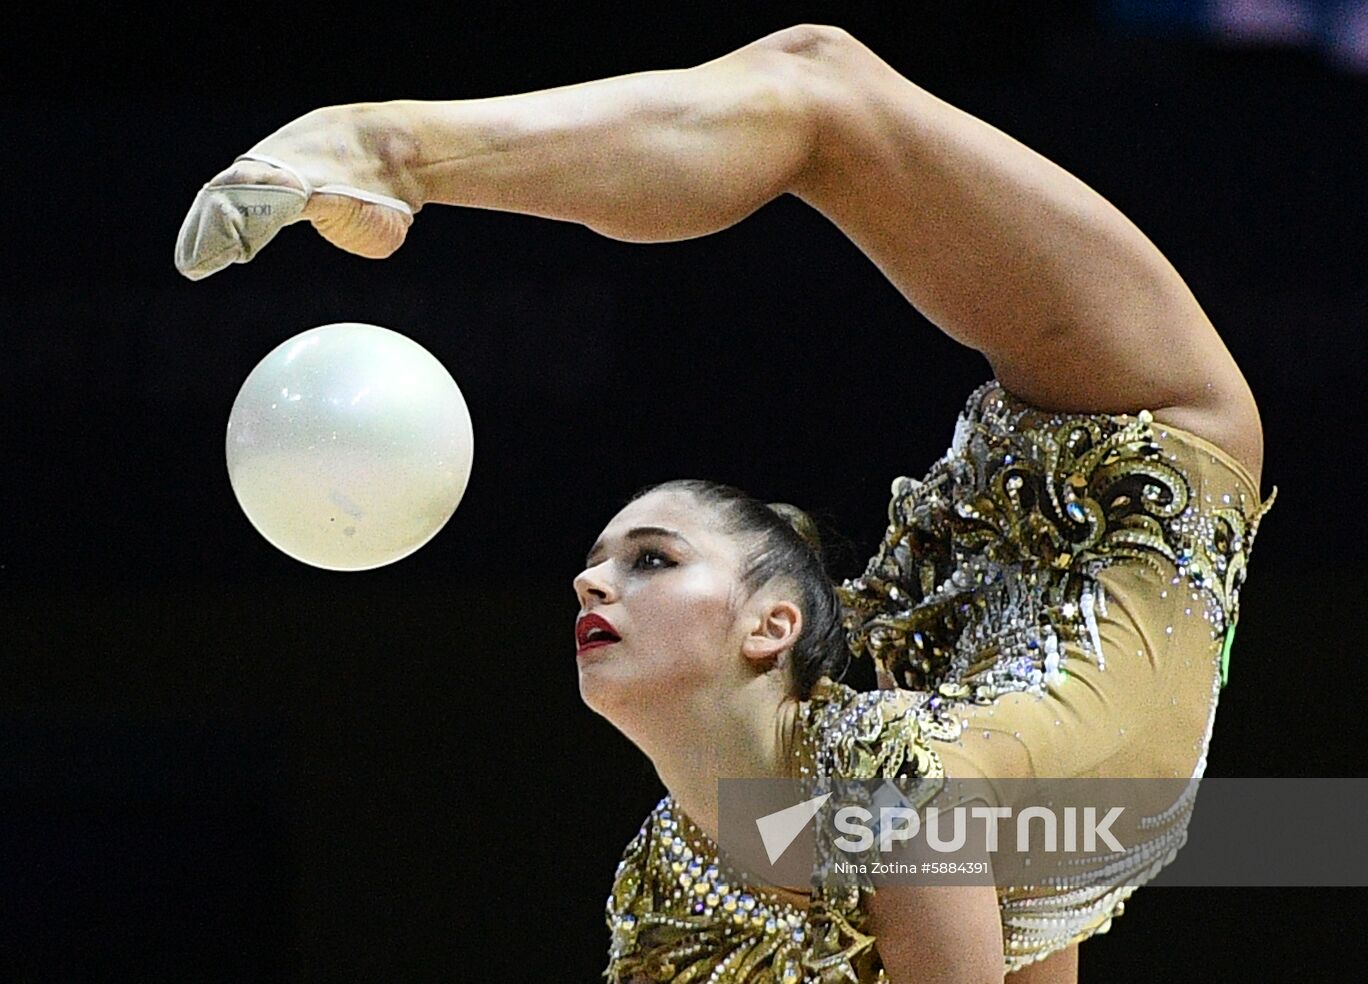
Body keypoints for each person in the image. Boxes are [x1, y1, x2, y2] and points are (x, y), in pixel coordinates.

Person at [175, 25, 1274, 982]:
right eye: (644, 558)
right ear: (770, 626)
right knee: (819, 82)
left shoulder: (733, 853)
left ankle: (389, 147)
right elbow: (1042, 919)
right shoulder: (881, 804)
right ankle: (387, 150)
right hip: (1144, 435)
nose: (590, 578)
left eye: (643, 558)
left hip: (1061, 478)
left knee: (820, 86)